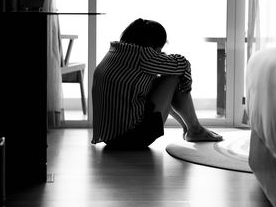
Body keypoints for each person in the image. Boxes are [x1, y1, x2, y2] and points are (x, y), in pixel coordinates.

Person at [91, 18, 223, 149]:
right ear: (153, 44)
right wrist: (186, 80)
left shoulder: (115, 52)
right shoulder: (142, 56)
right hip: (131, 138)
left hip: (109, 138)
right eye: (160, 48)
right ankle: (195, 129)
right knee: (173, 76)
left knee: (155, 83)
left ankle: (189, 128)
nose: (160, 52)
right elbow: (182, 64)